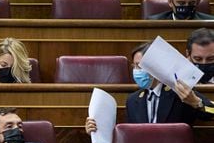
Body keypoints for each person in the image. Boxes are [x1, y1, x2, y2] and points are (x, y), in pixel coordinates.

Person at [85, 42, 213, 135]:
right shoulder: (133, 100)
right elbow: (130, 137)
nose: (137, 71)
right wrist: (97, 132)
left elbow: (211, 112)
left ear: (156, 67)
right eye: (135, 66)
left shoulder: (179, 91)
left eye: (141, 66)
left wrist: (196, 103)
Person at [147, 0, 214, 20]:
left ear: (197, 2)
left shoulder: (211, 22)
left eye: (191, 3)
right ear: (170, 2)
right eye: (181, 3)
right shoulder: (154, 22)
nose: (186, 6)